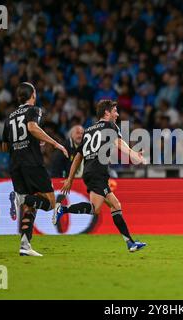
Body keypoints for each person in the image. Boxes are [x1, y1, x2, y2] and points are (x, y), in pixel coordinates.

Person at [59, 100, 147, 252]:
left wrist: (70, 179)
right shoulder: (110, 126)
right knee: (110, 206)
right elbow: (119, 143)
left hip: (89, 172)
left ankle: (130, 242)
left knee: (102, 207)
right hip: (98, 172)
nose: (117, 114)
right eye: (115, 111)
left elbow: (78, 157)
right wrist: (134, 155)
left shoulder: (88, 131)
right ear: (107, 113)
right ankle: (62, 210)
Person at [2, 82, 69, 256]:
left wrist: (23, 145)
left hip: (15, 165)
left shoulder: (9, 117)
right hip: (32, 163)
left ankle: (25, 245)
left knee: (30, 206)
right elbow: (32, 127)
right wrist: (54, 143)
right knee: (50, 203)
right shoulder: (34, 110)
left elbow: (4, 146)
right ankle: (20, 198)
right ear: (33, 95)